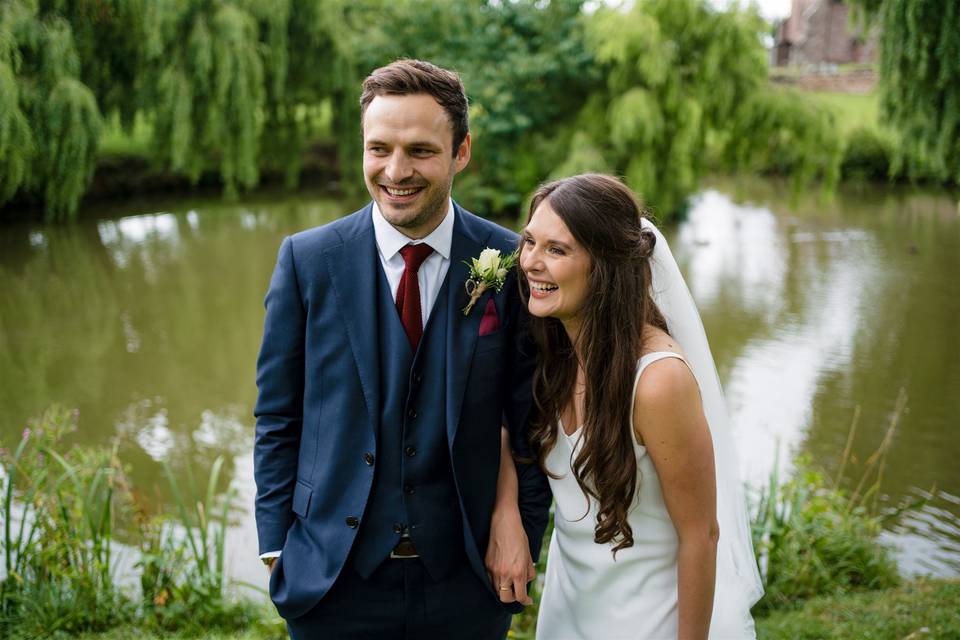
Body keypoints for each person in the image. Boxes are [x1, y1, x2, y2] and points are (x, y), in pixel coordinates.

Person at [252, 59, 551, 639]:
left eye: (420, 151)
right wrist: (274, 546)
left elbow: (532, 414)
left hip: (466, 577)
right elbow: (277, 413)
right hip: (333, 580)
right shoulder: (307, 261)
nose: (395, 171)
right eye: (378, 148)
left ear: (461, 151)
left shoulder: (511, 262)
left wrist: (521, 526)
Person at [508, 174, 763, 639]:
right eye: (529, 242)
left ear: (604, 266)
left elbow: (701, 536)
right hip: (568, 613)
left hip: (650, 621)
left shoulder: (658, 382)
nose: (531, 263)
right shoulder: (555, 353)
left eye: (556, 250)